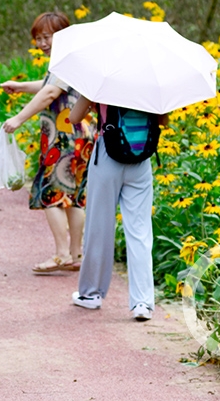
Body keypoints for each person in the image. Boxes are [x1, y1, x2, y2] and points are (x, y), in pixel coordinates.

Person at [2, 12, 95, 273]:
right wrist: (21, 87)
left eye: (47, 37)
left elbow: (51, 93)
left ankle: (61, 254)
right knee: (74, 196)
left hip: (64, 137)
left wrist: (19, 119)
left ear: (63, 34)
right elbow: (49, 86)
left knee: (49, 192)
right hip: (81, 135)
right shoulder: (73, 59)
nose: (43, 43)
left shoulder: (65, 61)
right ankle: (75, 254)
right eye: (39, 38)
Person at [69, 96, 168, 321]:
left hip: (108, 155)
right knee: (140, 231)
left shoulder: (104, 82)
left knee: (99, 227)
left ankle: (91, 294)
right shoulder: (150, 84)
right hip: (141, 158)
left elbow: (74, 117)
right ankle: (142, 302)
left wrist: (96, 108)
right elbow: (163, 120)